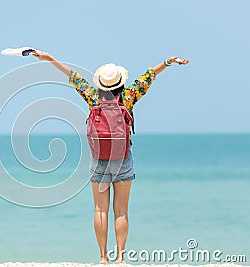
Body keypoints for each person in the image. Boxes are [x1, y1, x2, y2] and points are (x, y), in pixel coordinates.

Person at [31, 50, 189, 264]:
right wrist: (168, 62)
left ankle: (103, 257)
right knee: (121, 210)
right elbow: (150, 74)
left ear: (101, 84)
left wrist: (49, 58)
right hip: (123, 159)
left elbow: (71, 75)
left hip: (99, 160)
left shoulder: (91, 96)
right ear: (120, 83)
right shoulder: (130, 96)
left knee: (100, 209)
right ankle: (121, 257)